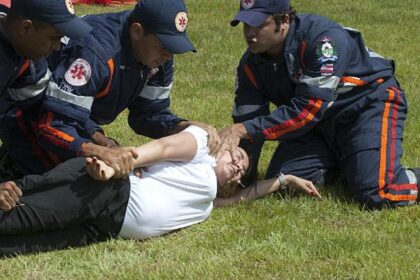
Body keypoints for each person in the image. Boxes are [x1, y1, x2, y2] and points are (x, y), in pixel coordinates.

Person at [0, 124, 320, 256]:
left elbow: (244, 196)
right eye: (237, 156)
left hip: (103, 227)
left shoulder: (209, 203)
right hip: (106, 189)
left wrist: (285, 180)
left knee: (19, 244)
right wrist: (113, 167)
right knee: (21, 216)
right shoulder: (201, 146)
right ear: (221, 147)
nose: (239, 168)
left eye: (242, 172)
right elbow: (161, 148)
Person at [219, 0, 419, 209]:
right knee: (283, 181)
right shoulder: (250, 65)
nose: (250, 33)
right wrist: (239, 176)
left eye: (259, 25)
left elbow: (306, 111)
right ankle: (353, 158)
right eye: (245, 24)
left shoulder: (324, 40)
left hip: (366, 105)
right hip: (318, 125)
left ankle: (362, 161)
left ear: (284, 20)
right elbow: (248, 126)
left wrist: (243, 129)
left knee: (377, 192)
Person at [0, 0, 219, 180]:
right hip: (34, 111)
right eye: (164, 47)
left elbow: (147, 115)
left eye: (173, 48)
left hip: (63, 113)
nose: (168, 57)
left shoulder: (158, 58)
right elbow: (47, 123)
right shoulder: (95, 56)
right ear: (136, 31)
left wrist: (183, 127)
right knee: (72, 181)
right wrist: (98, 149)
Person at [0, 0, 92, 97]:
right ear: (26, 28)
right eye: (54, 38)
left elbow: (31, 102)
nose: (57, 47)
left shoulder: (26, 49)